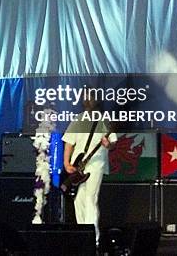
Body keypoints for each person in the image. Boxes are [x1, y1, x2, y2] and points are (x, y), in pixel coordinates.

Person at [62, 94, 116, 245]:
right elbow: (68, 144)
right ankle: (82, 233)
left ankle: (93, 237)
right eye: (86, 99)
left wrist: (108, 145)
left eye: (91, 98)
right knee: (79, 200)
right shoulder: (78, 119)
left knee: (91, 198)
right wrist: (67, 164)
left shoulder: (104, 120)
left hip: (96, 165)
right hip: (78, 167)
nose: (88, 101)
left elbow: (113, 144)